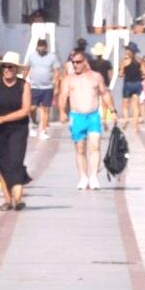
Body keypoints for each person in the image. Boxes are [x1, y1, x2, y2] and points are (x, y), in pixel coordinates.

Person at [0, 57, 34, 211]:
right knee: (0, 163)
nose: (7, 70)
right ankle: (7, 199)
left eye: (11, 67)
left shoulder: (23, 86)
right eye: (5, 67)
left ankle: (17, 200)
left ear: (16, 69)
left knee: (15, 162)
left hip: (17, 128)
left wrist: (1, 119)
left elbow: (25, 111)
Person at [59, 47, 111, 190]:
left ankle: (93, 176)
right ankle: (83, 177)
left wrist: (112, 110)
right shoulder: (69, 79)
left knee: (95, 146)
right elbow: (63, 96)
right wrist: (62, 112)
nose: (75, 64)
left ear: (85, 62)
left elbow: (104, 93)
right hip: (77, 116)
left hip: (93, 116)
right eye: (73, 62)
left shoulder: (96, 77)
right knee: (80, 149)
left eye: (78, 62)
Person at [25, 38, 59, 135]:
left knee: (46, 108)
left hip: (48, 87)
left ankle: (43, 130)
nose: (41, 48)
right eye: (39, 46)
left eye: (43, 46)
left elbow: (56, 71)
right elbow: (27, 68)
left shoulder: (52, 57)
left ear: (46, 46)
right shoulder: (32, 57)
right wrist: (23, 81)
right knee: (32, 107)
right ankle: (32, 124)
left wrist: (56, 86)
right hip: (34, 86)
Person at [120, 46, 145, 129]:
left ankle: (126, 119)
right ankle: (136, 125)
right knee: (135, 106)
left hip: (128, 84)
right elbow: (144, 72)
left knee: (125, 106)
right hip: (137, 84)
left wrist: (123, 73)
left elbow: (120, 74)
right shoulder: (140, 60)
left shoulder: (125, 61)